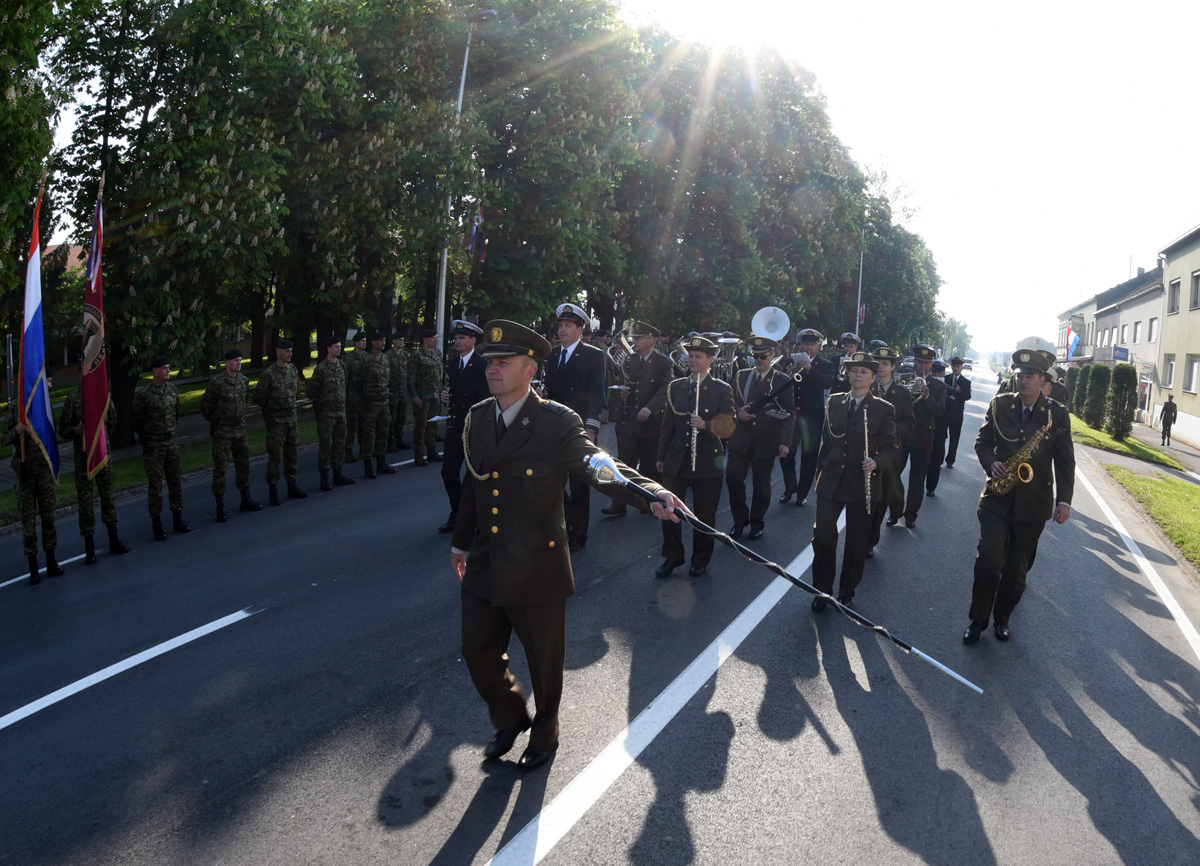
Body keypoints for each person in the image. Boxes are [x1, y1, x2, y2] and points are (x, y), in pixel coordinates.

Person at [449, 320, 684, 770]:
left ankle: (546, 729)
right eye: (489, 362)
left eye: (504, 363)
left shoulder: (556, 423)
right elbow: (473, 486)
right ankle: (511, 715)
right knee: (476, 650)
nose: (492, 369)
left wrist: (648, 493)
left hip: (536, 561)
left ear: (530, 369)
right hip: (487, 558)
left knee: (543, 659)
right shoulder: (479, 417)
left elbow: (598, 464)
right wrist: (460, 543)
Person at [964, 349, 1074, 644]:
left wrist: (1064, 501)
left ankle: (1002, 617)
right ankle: (978, 619)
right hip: (997, 497)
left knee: (1016, 571)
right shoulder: (1000, 405)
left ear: (1042, 379)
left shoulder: (1057, 414)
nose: (1023, 381)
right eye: (1019, 375)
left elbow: (1065, 461)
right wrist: (992, 463)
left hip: (1034, 504)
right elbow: (982, 442)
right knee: (989, 557)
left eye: (1030, 377)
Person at [810, 352, 899, 610]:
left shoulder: (883, 409)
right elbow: (827, 441)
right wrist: (819, 473)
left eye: (863, 372)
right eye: (853, 371)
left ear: (873, 377)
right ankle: (822, 591)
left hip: (864, 482)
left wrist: (877, 462)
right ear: (847, 375)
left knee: (856, 542)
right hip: (832, 478)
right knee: (823, 536)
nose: (857, 375)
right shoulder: (835, 402)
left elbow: (891, 447)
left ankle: (847, 590)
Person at [655, 335, 736, 577]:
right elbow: (667, 425)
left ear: (710, 360)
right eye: (690, 356)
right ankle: (672, 556)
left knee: (704, 513)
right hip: (677, 457)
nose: (693, 360)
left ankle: (700, 558)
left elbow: (730, 425)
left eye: (698, 356)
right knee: (668, 509)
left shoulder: (722, 389)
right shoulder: (676, 386)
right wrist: (661, 455)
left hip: (707, 458)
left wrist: (706, 424)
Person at [542, 302, 605, 552]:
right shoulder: (553, 354)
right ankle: (566, 522)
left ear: (580, 329)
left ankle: (579, 534)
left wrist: (591, 428)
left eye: (568, 326)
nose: (562, 330)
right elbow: (552, 390)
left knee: (580, 485)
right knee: (552, 481)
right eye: (560, 325)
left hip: (579, 428)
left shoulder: (593, 354)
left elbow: (597, 395)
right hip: (555, 427)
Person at [726, 336, 795, 540]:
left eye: (763, 356)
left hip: (767, 439)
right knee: (732, 477)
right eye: (755, 356)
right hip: (741, 437)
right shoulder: (741, 376)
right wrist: (738, 413)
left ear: (772, 355)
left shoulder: (781, 380)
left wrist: (785, 442)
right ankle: (740, 520)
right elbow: (730, 403)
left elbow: (790, 413)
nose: (759, 360)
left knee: (762, 486)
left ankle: (757, 522)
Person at [603, 321, 672, 516]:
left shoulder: (664, 362)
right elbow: (628, 384)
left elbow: (665, 389)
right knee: (623, 465)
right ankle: (619, 504)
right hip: (629, 421)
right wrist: (625, 393)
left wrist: (650, 408)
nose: (633, 341)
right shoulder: (630, 360)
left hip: (650, 422)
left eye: (638, 338)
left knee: (650, 467)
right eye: (634, 338)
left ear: (650, 340)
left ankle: (650, 503)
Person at [57, 385, 130, 563]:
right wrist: (76, 431)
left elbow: (112, 420)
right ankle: (89, 547)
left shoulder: (102, 395)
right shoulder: (73, 399)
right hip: (83, 460)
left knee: (108, 498)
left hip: (102, 456)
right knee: (85, 502)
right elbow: (63, 430)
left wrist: (101, 440)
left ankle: (114, 539)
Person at [131, 356, 190, 540]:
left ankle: (177, 518)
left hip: (171, 443)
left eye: (168, 367)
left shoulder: (172, 390)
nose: (167, 371)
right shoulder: (144, 395)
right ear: (155, 371)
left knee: (175, 481)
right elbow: (136, 421)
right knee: (155, 485)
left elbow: (177, 413)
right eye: (164, 368)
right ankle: (157, 523)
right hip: (153, 446)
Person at [438, 320, 489, 531]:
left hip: (473, 426)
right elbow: (453, 393)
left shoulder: (481, 364)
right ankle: (457, 511)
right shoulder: (452, 363)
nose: (457, 342)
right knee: (448, 472)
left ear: (473, 340)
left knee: (474, 476)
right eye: (456, 338)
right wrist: (445, 397)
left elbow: (486, 397)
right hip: (455, 425)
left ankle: (475, 516)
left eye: (462, 338)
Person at [5, 401, 64, 582]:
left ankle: (51, 561)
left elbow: (52, 433)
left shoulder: (43, 402)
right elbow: (4, 438)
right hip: (25, 474)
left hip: (43, 472)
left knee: (48, 518)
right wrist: (17, 431)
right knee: (28, 522)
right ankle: (33, 568)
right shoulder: (16, 407)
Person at [201, 347, 262, 521]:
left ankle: (245, 498)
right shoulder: (218, 383)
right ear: (227, 362)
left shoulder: (243, 380)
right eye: (236, 360)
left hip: (240, 430)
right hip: (222, 431)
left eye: (240, 360)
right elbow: (206, 406)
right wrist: (218, 421)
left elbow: (244, 401)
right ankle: (220, 505)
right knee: (221, 468)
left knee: (243, 464)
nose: (239, 363)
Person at [779, 328, 836, 507]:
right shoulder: (790, 361)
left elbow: (827, 383)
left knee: (809, 456)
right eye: (806, 344)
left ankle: (802, 493)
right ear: (801, 344)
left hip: (812, 418)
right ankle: (789, 488)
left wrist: (810, 369)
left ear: (818, 346)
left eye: (812, 344)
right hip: (792, 416)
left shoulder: (826, 364)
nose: (809, 347)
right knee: (786, 453)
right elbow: (781, 383)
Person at [866, 346, 914, 556]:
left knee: (881, 497)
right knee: (864, 496)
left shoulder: (902, 394)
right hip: (866, 450)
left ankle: (871, 540)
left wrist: (890, 431)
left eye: (885, 363)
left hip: (890, 453)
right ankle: (861, 535)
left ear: (893, 367)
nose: (881, 367)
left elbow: (910, 423)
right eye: (877, 363)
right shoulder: (866, 388)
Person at [897, 344, 946, 528]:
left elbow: (940, 411)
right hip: (902, 435)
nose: (923, 366)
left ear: (932, 364)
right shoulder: (903, 380)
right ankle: (895, 511)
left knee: (917, 479)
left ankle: (910, 515)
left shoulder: (937, 386)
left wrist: (927, 397)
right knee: (893, 475)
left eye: (926, 363)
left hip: (923, 437)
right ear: (915, 362)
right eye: (920, 362)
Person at [253, 338, 306, 505]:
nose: (290, 354)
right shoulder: (268, 375)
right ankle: (273, 490)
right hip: (276, 422)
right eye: (287, 351)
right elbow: (259, 398)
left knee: (292, 455)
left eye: (291, 351)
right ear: (278, 352)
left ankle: (292, 485)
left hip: (292, 420)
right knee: (275, 456)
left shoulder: (292, 370)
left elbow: (297, 391)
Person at [307, 334, 356, 490]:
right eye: (336, 347)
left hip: (341, 412)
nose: (339, 349)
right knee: (326, 446)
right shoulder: (321, 369)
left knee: (339, 444)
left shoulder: (341, 366)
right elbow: (312, 392)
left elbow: (345, 385)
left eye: (340, 346)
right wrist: (321, 408)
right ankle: (324, 477)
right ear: (329, 349)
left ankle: (338, 473)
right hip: (326, 414)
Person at [358, 330, 396, 479]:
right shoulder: (366, 360)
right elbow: (358, 382)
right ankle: (368, 465)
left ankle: (381, 462)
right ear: (373, 343)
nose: (383, 343)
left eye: (384, 340)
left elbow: (388, 379)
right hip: (370, 404)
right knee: (368, 435)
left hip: (384, 402)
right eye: (380, 341)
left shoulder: (386, 359)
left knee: (383, 432)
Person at [408, 328, 443, 466]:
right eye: (433, 338)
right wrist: (414, 395)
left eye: (436, 337)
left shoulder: (437, 353)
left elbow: (439, 374)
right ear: (425, 339)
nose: (435, 340)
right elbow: (410, 378)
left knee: (432, 424)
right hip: (422, 397)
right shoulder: (417, 355)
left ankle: (432, 451)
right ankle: (419, 453)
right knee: (420, 427)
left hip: (434, 395)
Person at [925, 359, 951, 496]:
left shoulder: (949, 390)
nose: (936, 374)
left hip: (938, 431)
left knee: (934, 462)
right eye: (934, 371)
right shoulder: (924, 384)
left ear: (944, 373)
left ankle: (931, 487)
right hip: (923, 430)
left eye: (939, 371)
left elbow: (949, 409)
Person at [944, 356, 973, 467]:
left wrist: (960, 391)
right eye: (954, 366)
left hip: (957, 414)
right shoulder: (946, 378)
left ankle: (950, 460)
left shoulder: (966, 382)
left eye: (958, 366)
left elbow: (968, 396)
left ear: (962, 367)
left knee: (954, 438)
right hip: (945, 412)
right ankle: (939, 459)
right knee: (941, 437)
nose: (956, 368)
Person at [344, 331, 367, 463]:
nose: (364, 343)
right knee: (351, 427)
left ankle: (364, 451)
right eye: (362, 341)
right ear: (356, 343)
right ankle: (348, 450)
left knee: (364, 427)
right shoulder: (349, 359)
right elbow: (345, 380)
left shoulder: (367, 357)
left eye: (365, 341)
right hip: (352, 398)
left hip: (365, 398)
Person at [386, 333, 410, 451]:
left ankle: (399, 439)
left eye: (403, 339)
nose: (402, 341)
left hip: (402, 391)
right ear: (394, 341)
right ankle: (390, 441)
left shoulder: (405, 355)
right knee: (391, 418)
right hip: (392, 391)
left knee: (401, 417)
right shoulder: (388, 356)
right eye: (399, 340)